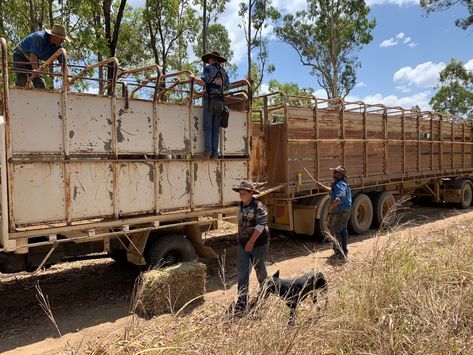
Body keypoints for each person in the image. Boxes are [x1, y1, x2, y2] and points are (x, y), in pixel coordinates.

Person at [232, 180, 269, 315]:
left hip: (258, 244)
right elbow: (240, 222)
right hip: (243, 243)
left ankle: (265, 291)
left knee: (260, 269)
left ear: (251, 193)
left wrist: (251, 242)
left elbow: (261, 226)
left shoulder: (260, 207)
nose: (241, 195)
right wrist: (239, 235)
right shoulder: (240, 206)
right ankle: (242, 302)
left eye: (244, 193)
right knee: (242, 273)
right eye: (240, 193)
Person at [195, 50, 230, 159]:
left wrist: (192, 78)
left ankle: (208, 151)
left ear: (212, 59)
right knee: (216, 128)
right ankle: (216, 153)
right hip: (220, 102)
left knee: (208, 127)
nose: (208, 61)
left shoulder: (208, 68)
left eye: (209, 59)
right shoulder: (224, 72)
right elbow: (228, 86)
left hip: (209, 101)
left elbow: (203, 82)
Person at [13, 24, 70, 89]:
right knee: (22, 80)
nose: (63, 41)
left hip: (33, 59)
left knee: (40, 84)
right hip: (20, 54)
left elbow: (63, 63)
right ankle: (18, 95)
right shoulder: (39, 37)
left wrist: (67, 77)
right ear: (55, 36)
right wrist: (35, 69)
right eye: (62, 39)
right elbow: (33, 54)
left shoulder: (58, 47)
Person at [315, 166, 352, 260]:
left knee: (336, 232)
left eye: (335, 172)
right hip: (344, 211)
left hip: (340, 211)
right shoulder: (341, 183)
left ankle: (339, 254)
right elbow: (333, 191)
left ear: (340, 174)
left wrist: (331, 206)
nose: (333, 174)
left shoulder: (341, 184)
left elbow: (341, 197)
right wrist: (321, 186)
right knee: (342, 231)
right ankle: (343, 252)